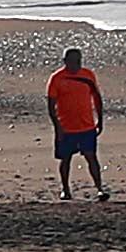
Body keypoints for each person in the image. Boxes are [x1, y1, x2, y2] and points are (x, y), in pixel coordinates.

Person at [47, 46, 108, 200]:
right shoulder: (57, 78)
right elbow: (51, 105)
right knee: (65, 159)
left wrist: (100, 120)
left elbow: (97, 98)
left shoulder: (88, 75)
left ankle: (100, 189)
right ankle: (66, 190)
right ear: (65, 61)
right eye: (73, 62)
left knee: (91, 157)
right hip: (66, 127)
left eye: (78, 62)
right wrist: (58, 127)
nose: (76, 65)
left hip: (87, 126)